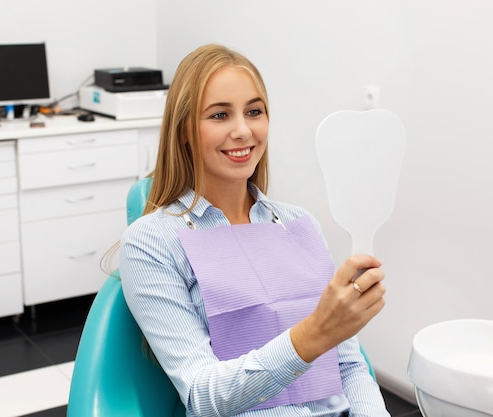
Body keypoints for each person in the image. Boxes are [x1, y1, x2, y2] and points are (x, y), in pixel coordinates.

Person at [119, 44, 389, 417]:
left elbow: (348, 364)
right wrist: (313, 334)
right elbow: (202, 394)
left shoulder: (299, 224)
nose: (243, 131)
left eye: (254, 112)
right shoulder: (153, 242)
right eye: (219, 115)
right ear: (183, 130)